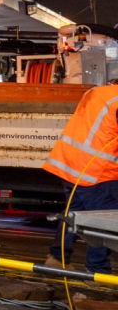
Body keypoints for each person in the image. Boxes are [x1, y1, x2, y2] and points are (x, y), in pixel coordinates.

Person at [42, 81, 118, 274]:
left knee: (73, 213)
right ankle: (98, 270)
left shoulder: (96, 92)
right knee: (103, 221)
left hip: (70, 162)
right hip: (96, 170)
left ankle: (57, 258)